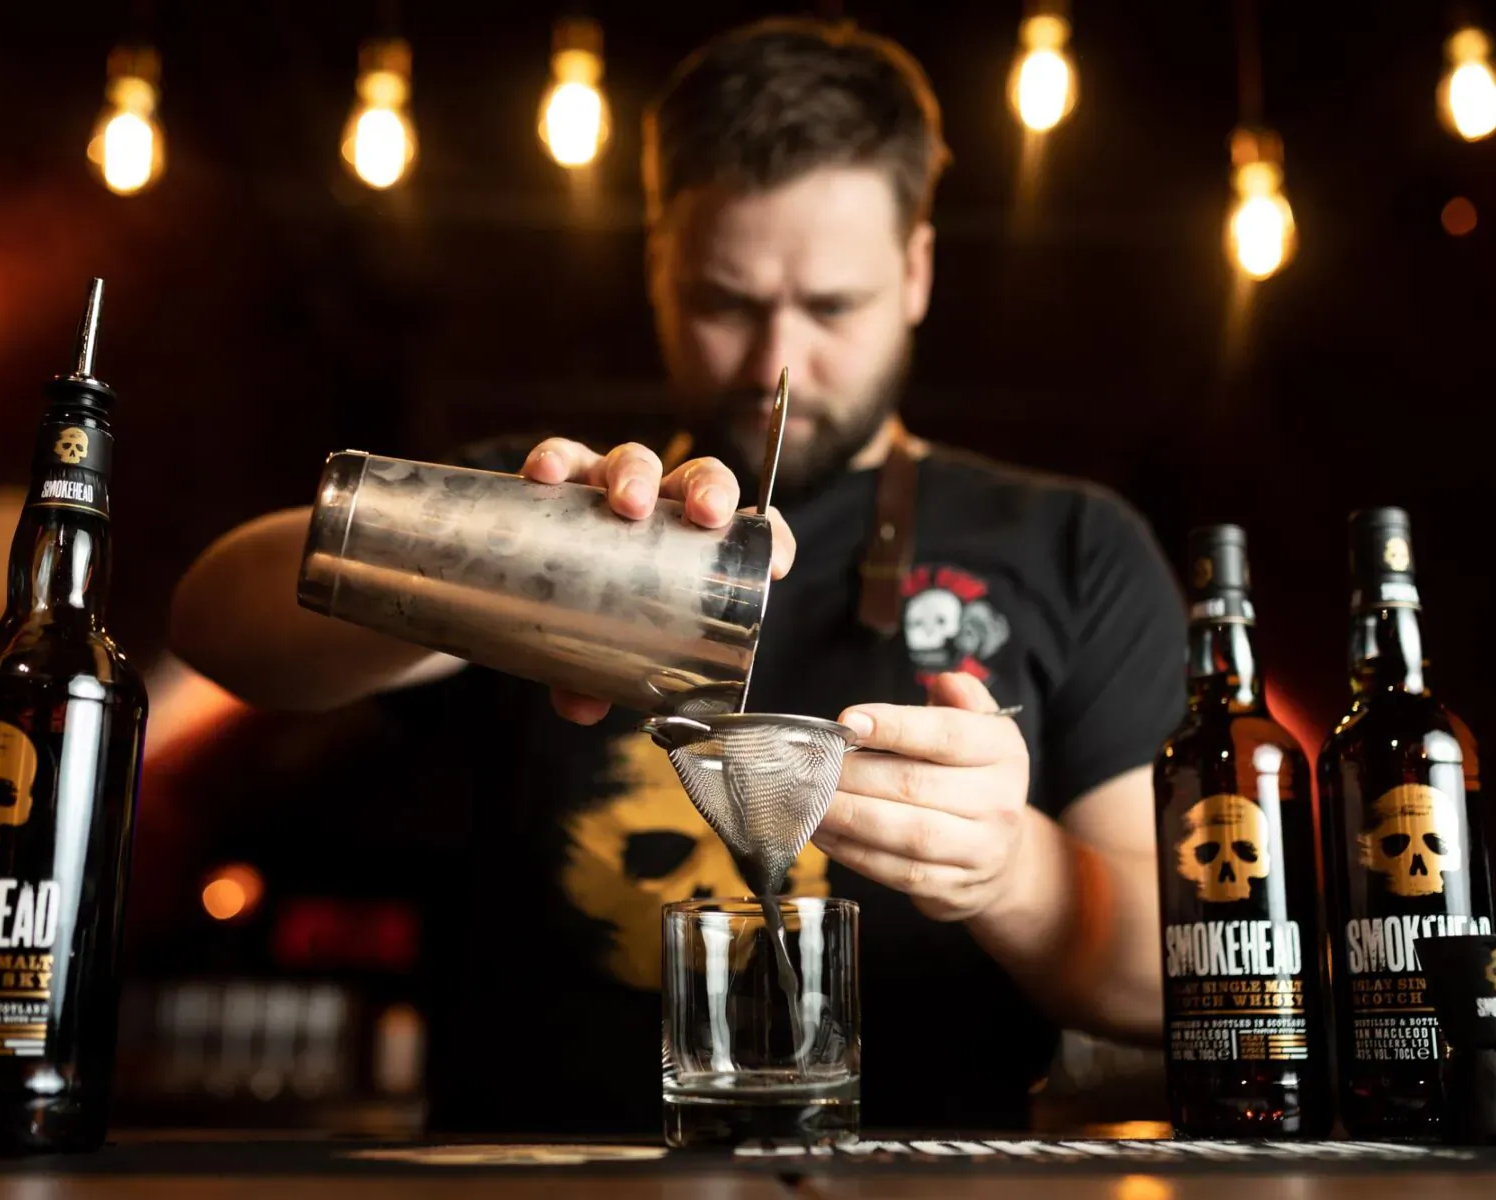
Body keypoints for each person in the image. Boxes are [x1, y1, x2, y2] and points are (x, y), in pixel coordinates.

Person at [168, 17, 1186, 1133]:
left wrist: (1014, 875)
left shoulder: (1073, 545)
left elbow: (1162, 985)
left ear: (916, 271)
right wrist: (507, 563)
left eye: (831, 307)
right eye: (724, 301)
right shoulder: (547, 499)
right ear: (658, 263)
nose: (773, 364)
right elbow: (216, 619)